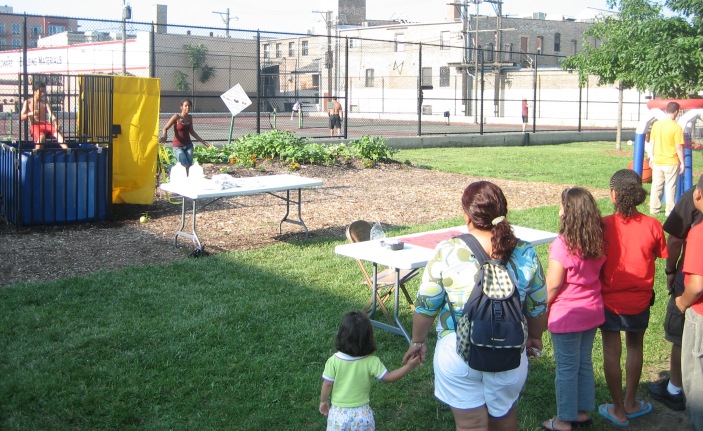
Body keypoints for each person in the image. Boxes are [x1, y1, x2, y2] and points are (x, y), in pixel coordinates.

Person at [402, 181, 547, 431]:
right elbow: (538, 305)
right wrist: (534, 337)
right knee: (504, 416)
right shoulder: (525, 252)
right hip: (510, 350)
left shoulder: (448, 251)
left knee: (470, 426)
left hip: (457, 350)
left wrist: (417, 341)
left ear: (467, 216)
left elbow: (426, 305)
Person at [598, 169, 667, 425]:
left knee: (611, 351)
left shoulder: (602, 224)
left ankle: (617, 409)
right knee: (635, 347)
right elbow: (660, 253)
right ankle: (630, 402)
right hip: (639, 300)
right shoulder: (653, 225)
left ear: (614, 194)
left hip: (608, 301)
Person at [542, 187, 606, 431]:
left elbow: (554, 284)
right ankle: (581, 411)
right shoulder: (598, 238)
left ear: (568, 212)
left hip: (567, 316)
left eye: (561, 206)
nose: (558, 211)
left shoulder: (562, 244)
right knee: (583, 363)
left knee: (567, 368)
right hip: (592, 310)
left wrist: (538, 310)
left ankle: (563, 420)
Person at [648, 183, 703, 411]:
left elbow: (675, 239)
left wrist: (671, 271)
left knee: (681, 336)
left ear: (698, 195)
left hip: (693, 293)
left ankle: (675, 389)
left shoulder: (698, 231)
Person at [319, 311, 421, 431]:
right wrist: (409, 366)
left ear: (341, 335)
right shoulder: (371, 361)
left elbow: (327, 383)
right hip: (363, 415)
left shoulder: (333, 361)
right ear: (368, 339)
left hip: (338, 415)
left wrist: (323, 400)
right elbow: (389, 377)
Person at [675, 174, 703, 431]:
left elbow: (696, 285)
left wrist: (682, 303)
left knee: (696, 382)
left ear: (697, 195)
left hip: (700, 314)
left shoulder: (698, 234)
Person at [649, 101, 685, 216]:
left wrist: (651, 157)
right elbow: (678, 146)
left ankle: (654, 209)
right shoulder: (676, 127)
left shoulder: (656, 125)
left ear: (666, 110)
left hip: (657, 160)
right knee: (670, 187)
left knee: (656, 186)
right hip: (671, 161)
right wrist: (682, 162)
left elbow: (652, 142)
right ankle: (669, 211)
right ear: (676, 112)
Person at [159, 99, 211, 172]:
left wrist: (204, 142)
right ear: (181, 107)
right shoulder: (176, 117)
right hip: (177, 146)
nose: (187, 107)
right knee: (184, 164)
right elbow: (165, 128)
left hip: (188, 146)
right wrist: (165, 137)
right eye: (185, 106)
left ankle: (187, 181)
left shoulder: (190, 117)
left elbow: (192, 131)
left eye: (189, 106)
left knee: (189, 166)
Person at [19, 81, 67, 149]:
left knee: (58, 134)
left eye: (44, 91)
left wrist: (55, 123)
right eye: (41, 91)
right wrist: (30, 113)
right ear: (34, 91)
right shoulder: (28, 102)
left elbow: (51, 114)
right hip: (35, 125)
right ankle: (36, 156)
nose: (43, 94)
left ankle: (68, 152)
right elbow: (21, 117)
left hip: (46, 124)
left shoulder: (45, 102)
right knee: (41, 137)